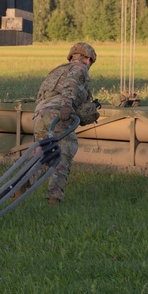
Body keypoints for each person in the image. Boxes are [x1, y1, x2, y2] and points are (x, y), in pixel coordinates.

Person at [32, 42, 100, 205]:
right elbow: (70, 86)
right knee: (66, 149)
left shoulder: (58, 70)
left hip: (40, 116)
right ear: (88, 59)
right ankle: (54, 197)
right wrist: (66, 106)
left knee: (45, 153)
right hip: (57, 114)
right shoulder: (79, 69)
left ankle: (23, 182)